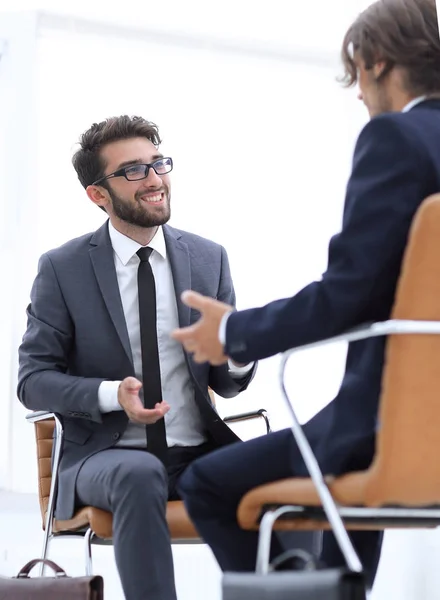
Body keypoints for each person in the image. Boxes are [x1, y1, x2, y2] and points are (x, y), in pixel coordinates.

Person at [172, 0, 440, 588]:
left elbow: (347, 293)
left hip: (388, 428)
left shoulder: (394, 138)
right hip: (429, 432)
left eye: (357, 79)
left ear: (375, 62)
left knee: (206, 484)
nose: (361, 98)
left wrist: (232, 333)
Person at [17, 115, 257, 600]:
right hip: (105, 458)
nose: (153, 179)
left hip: (197, 455)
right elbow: (33, 380)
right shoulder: (63, 269)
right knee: (140, 471)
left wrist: (236, 353)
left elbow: (227, 380)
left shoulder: (209, 259)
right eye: (133, 170)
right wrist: (109, 395)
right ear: (97, 194)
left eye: (158, 164)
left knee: (296, 463)